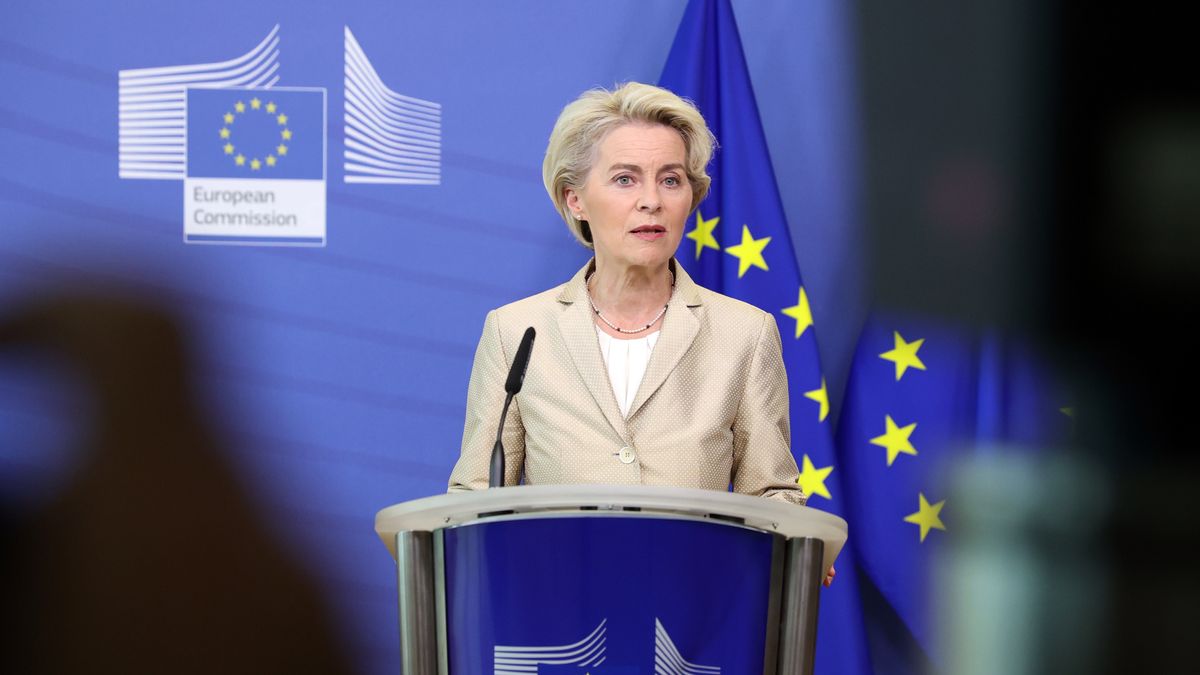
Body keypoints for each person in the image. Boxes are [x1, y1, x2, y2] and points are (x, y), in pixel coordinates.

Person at [449, 80, 811, 505]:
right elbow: (474, 500)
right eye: (625, 179)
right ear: (575, 199)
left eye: (671, 180)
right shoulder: (516, 332)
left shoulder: (745, 333)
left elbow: (773, 497)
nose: (651, 201)